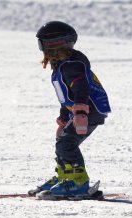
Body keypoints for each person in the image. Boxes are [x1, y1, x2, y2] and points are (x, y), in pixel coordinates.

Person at [28, 21, 111, 197]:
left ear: (53, 44)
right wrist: (64, 116)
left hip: (89, 111)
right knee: (63, 143)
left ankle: (78, 182)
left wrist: (80, 112)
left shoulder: (71, 65)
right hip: (82, 110)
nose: (42, 49)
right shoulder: (62, 65)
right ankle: (65, 177)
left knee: (67, 143)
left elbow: (81, 88)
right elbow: (65, 95)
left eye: (42, 44)